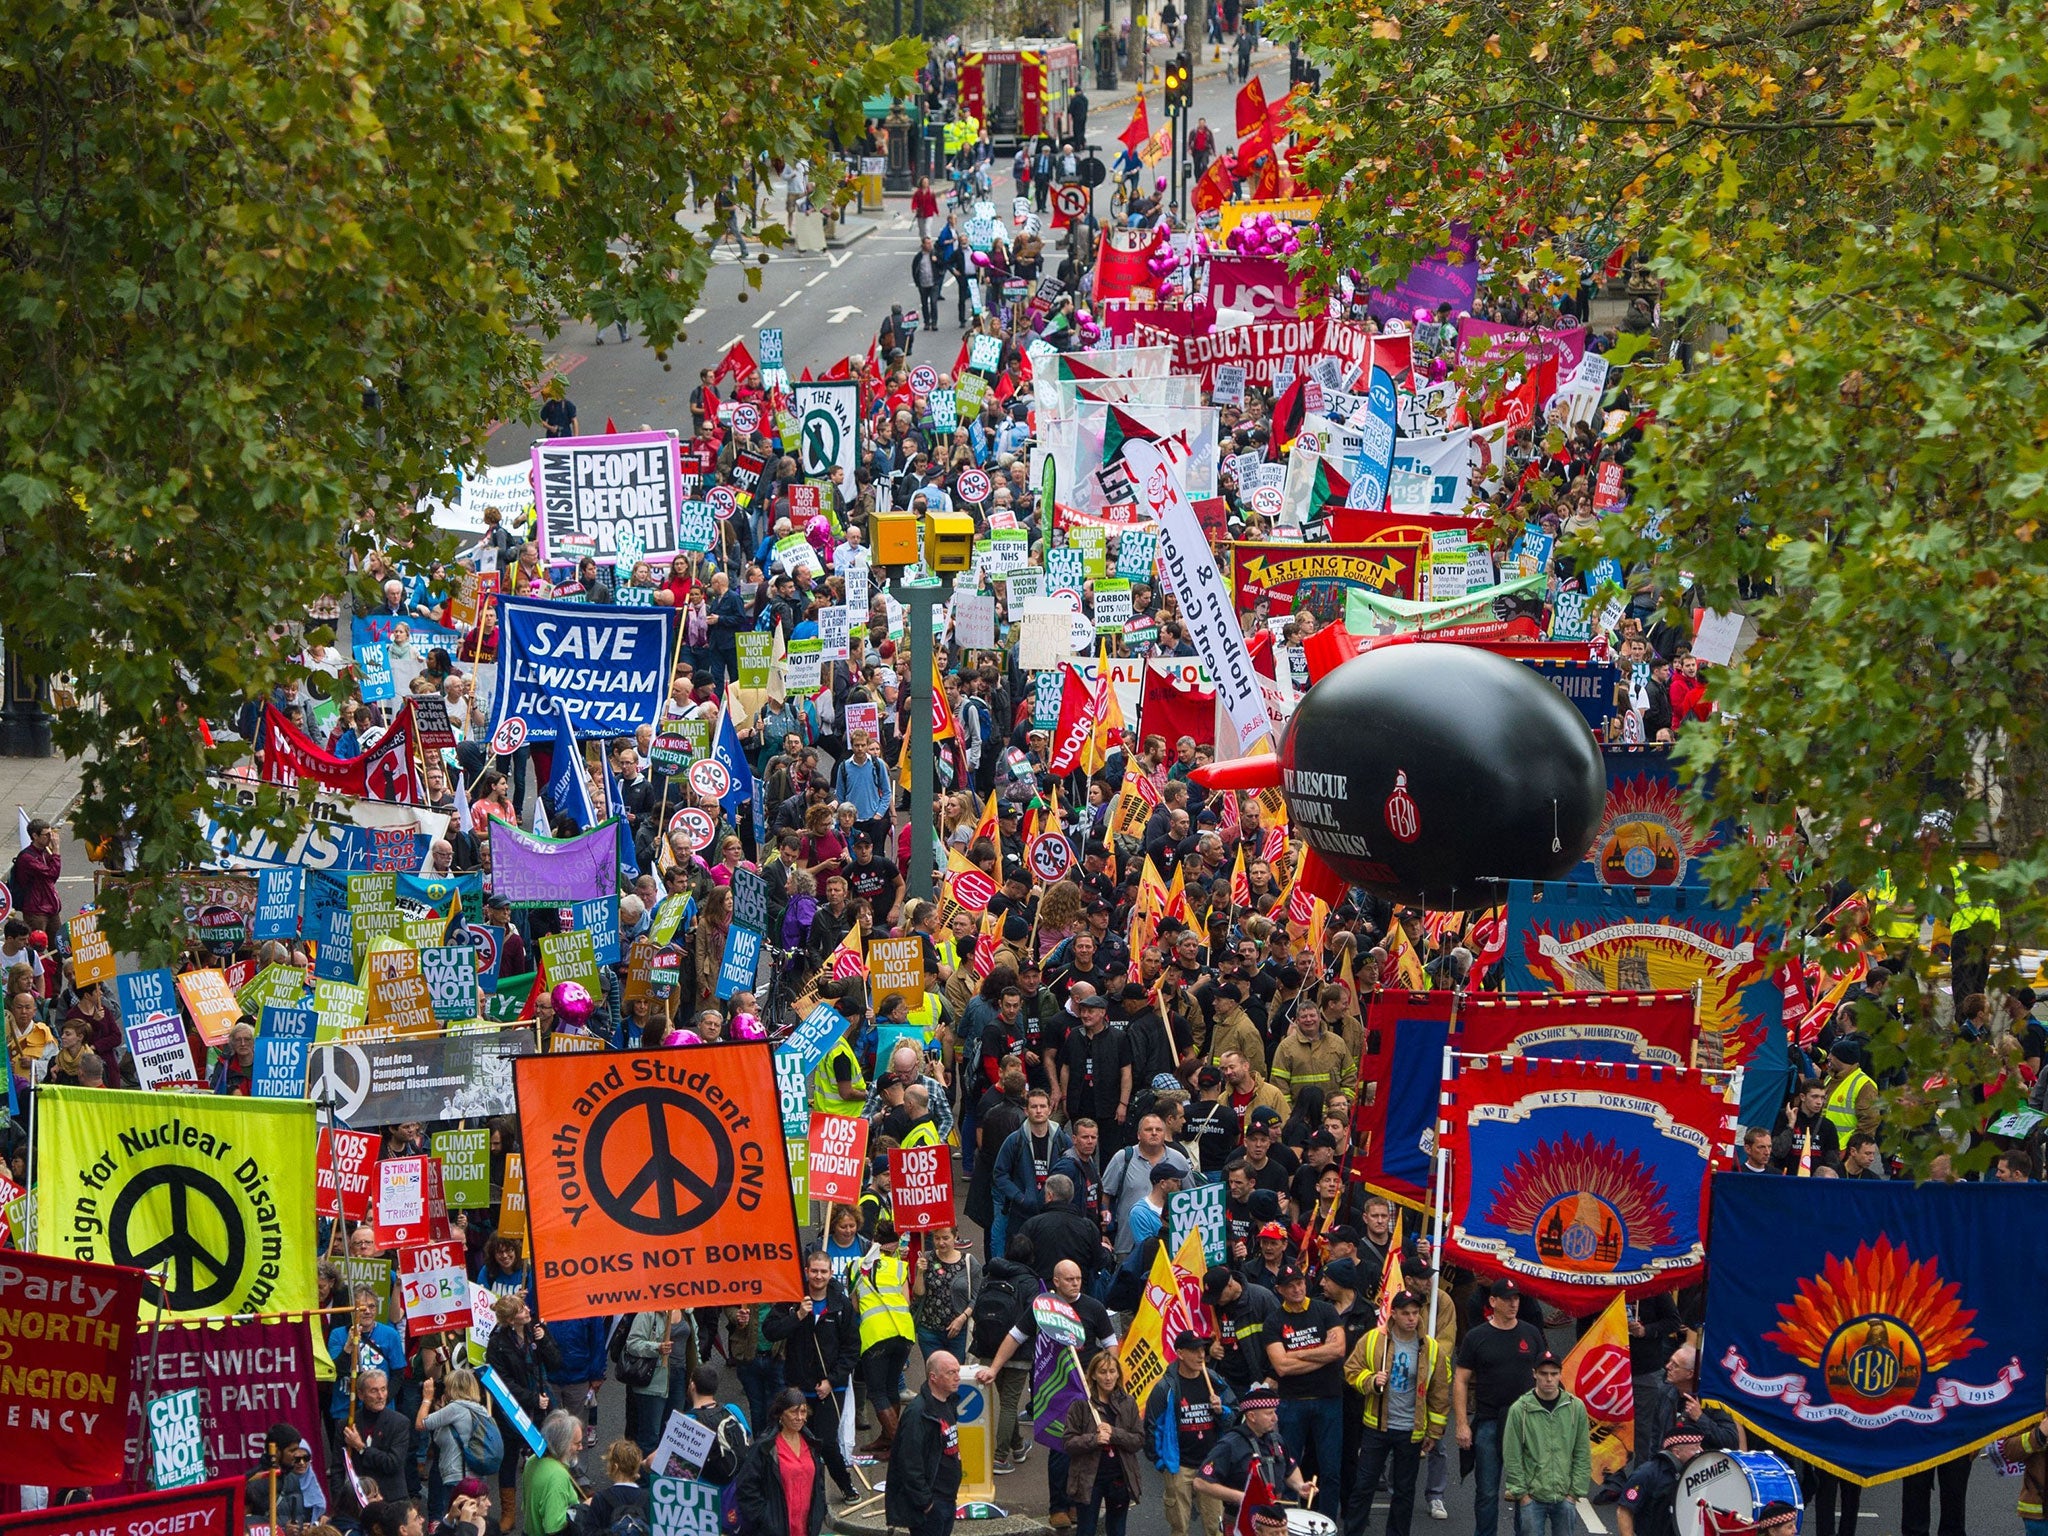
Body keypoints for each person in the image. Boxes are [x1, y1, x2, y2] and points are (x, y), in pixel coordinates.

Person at [1342, 1289, 1448, 1536]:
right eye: (1406, 1313)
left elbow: (1440, 1392)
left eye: (1415, 1313)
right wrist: (1371, 1380)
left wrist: (1434, 1431)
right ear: (1394, 1314)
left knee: (1404, 1492)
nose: (1412, 1318)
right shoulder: (1373, 1340)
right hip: (1376, 1427)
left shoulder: (1431, 1348)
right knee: (1363, 1487)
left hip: (1411, 1430)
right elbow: (1351, 1371)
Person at [763, 1250, 860, 1499]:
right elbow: (770, 1331)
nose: (818, 1276)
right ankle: (808, 1489)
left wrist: (833, 1380)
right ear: (806, 1272)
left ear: (830, 1274)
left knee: (826, 1442)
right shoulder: (792, 1301)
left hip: (830, 1388)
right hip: (797, 1388)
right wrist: (798, 1316)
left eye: (823, 1272)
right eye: (814, 1271)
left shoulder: (841, 1304)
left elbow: (851, 1348)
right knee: (799, 1442)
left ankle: (846, 1486)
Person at [1453, 1279, 1546, 1536]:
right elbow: (1460, 1379)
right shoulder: (1477, 1337)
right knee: (1487, 1492)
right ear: (1492, 1302)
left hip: (1526, 1425)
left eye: (1516, 1298)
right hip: (1489, 1422)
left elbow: (1548, 1376)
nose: (1513, 1303)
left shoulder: (1531, 1334)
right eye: (1507, 1299)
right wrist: (1462, 1424)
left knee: (1525, 1492)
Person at [1265, 1263, 1344, 1518]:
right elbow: (1282, 1367)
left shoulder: (1325, 1310)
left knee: (1330, 1468)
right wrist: (1320, 1353)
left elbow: (1338, 1350)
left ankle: (1327, 1522)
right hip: (1291, 1403)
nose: (1297, 1289)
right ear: (1279, 1290)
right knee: (1288, 1469)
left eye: (1299, 1283)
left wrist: (1297, 1354)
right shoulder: (1274, 1321)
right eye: (1290, 1286)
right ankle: (1288, 1524)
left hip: (1328, 1400)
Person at [1143, 1331, 1227, 1536]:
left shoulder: (1214, 1381)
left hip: (1210, 1465)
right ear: (1180, 1353)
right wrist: (1162, 1463)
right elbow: (1152, 1427)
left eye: (1202, 1350)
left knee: (1216, 1527)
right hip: (1179, 1466)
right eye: (1194, 1350)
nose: (1201, 1355)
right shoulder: (1165, 1388)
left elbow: (1233, 1418)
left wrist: (1222, 1410)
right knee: (1180, 1528)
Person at [1502, 1352, 1591, 1536]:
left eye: (1553, 1374)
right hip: (1532, 1498)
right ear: (1534, 1374)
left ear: (1560, 1374)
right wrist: (1523, 1495)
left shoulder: (1576, 1408)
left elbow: (1582, 1453)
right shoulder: (1520, 1410)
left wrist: (1574, 1494)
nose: (1548, 1379)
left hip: (1565, 1497)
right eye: (1543, 1374)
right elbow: (1512, 1455)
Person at [1061, 1348, 1144, 1536]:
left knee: (1117, 1529)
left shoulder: (1128, 1402)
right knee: (1087, 1529)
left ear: (1118, 1374)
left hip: (1119, 1477)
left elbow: (1138, 1440)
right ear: (1093, 1375)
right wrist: (1094, 1439)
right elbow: (1068, 1442)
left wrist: (1114, 1433)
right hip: (1090, 1479)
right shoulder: (1081, 1404)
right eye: (1103, 1372)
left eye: (1112, 1371)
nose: (1108, 1377)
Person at [1192, 1385, 1308, 1513]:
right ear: (1252, 1416)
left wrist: (1300, 1485)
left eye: (1275, 1412)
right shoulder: (1229, 1444)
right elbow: (1201, 1482)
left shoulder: (1276, 1439)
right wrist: (1241, 1497)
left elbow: (1289, 1467)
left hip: (1275, 1516)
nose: (1275, 1418)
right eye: (1269, 1413)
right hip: (1242, 1517)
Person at [886, 1351, 965, 1536]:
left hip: (947, 1498)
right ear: (933, 1377)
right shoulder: (917, 1414)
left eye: (957, 1371)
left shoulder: (949, 1402)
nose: (957, 1378)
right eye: (950, 1373)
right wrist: (926, 1503)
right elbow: (909, 1464)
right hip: (931, 1505)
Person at [736, 1388, 831, 1536]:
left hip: (807, 1528)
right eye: (793, 1412)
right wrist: (766, 1519)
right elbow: (746, 1487)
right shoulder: (766, 1447)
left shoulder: (811, 1444)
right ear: (781, 1414)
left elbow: (818, 1482)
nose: (799, 1417)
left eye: (803, 1412)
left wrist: (820, 1510)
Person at [415, 1368, 496, 1521]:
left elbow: (420, 1424)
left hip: (458, 1478)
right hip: (477, 1476)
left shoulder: (456, 1408)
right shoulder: (480, 1410)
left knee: (456, 1522)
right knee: (475, 1521)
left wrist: (427, 1398)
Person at [343, 1370, 414, 1517]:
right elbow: (338, 1467)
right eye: (374, 1391)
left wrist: (361, 1447)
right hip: (359, 1503)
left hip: (392, 1502)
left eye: (383, 1389)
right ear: (361, 1395)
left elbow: (392, 1463)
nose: (381, 1396)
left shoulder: (399, 1423)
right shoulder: (347, 1425)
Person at [1614, 1427, 1703, 1536]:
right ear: (1677, 1452)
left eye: (1700, 1446)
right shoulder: (1646, 1474)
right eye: (1695, 1448)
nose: (1701, 1451)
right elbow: (1625, 1510)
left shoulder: (1695, 1472)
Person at [518, 1411, 584, 1536]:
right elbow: (554, 1528)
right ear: (563, 1444)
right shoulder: (558, 1475)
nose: (581, 1447)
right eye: (577, 1443)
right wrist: (583, 1510)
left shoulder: (532, 1461)